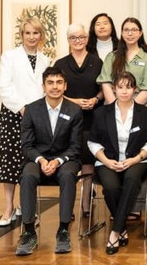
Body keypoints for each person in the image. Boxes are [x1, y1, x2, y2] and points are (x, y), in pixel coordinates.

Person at [88, 71, 147, 255]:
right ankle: (122, 227)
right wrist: (107, 161)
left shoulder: (146, 114)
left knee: (132, 180)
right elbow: (93, 142)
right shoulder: (101, 113)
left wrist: (134, 159)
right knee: (110, 187)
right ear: (114, 89)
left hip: (136, 160)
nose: (124, 91)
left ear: (135, 89)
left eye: (128, 87)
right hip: (107, 160)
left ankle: (115, 231)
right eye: (120, 87)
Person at [16, 67, 83, 256]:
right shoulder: (31, 109)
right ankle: (29, 232)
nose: (55, 87)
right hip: (37, 158)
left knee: (69, 175)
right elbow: (26, 145)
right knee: (27, 175)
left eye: (59, 82)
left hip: (65, 159)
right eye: (50, 83)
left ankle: (63, 230)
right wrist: (41, 159)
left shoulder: (75, 110)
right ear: (43, 86)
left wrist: (58, 161)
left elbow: (75, 146)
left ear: (65, 86)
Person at [0, 17, 50, 227]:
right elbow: (4, 87)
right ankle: (9, 207)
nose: (32, 37)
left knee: (29, 162)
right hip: (12, 115)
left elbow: (46, 88)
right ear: (21, 35)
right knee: (9, 162)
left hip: (36, 118)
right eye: (27, 33)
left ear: (41, 35)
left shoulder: (45, 60)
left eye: (35, 33)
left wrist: (36, 113)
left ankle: (27, 206)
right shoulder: (10, 56)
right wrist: (23, 109)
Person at [54, 24, 103, 217]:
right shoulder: (61, 63)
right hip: (68, 119)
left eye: (81, 37)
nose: (78, 41)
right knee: (69, 162)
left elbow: (104, 88)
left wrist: (95, 99)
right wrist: (75, 102)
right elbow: (55, 92)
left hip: (93, 118)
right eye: (73, 38)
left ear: (87, 38)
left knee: (88, 161)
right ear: (68, 41)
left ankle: (86, 206)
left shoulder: (97, 62)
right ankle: (67, 206)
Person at [97, 17, 147, 108]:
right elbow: (106, 84)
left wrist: (130, 108)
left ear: (140, 33)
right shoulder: (111, 57)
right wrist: (116, 107)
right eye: (126, 30)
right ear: (121, 33)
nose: (130, 33)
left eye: (134, 30)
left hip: (140, 101)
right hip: (114, 99)